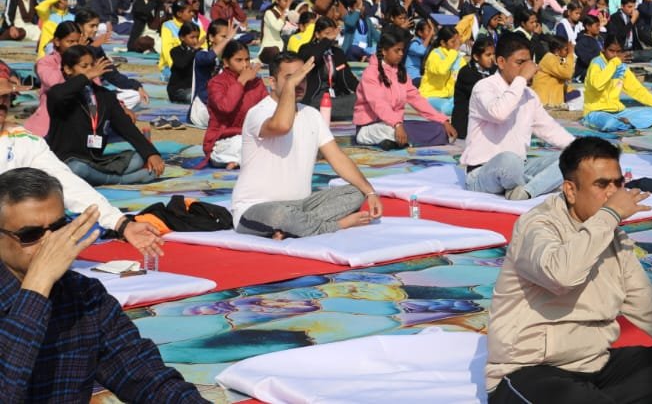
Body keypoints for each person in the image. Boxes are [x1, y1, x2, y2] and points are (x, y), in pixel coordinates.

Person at [485, 137, 652, 404]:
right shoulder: (537, 227)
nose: (613, 194)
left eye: (618, 183)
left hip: (593, 367)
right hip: (530, 371)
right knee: (568, 396)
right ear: (570, 190)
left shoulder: (613, 238)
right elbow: (561, 275)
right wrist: (610, 215)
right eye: (601, 185)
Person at [0, 168, 203, 402]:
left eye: (59, 228)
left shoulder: (84, 295)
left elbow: (145, 376)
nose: (51, 243)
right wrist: (36, 289)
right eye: (31, 234)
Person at [0, 81, 163, 259]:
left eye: (4, 96)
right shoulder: (61, 95)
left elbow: (67, 184)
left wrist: (121, 224)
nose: (1, 102)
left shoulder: (23, 140)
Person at [232, 52, 381, 239]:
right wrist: (290, 86)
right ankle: (334, 225)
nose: (299, 82)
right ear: (272, 82)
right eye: (291, 77)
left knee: (356, 192)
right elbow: (282, 126)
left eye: (302, 77)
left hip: (303, 205)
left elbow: (337, 157)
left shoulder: (312, 114)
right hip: (257, 207)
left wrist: (370, 192)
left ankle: (294, 228)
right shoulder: (259, 112)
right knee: (281, 215)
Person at [461, 32, 576, 200]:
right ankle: (535, 185)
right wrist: (521, 79)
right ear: (501, 62)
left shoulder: (529, 95)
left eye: (528, 63)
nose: (526, 69)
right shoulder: (484, 87)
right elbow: (499, 113)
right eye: (520, 63)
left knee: (573, 158)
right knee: (509, 161)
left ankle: (525, 191)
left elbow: (550, 129)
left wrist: (582, 148)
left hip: (520, 169)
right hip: (483, 172)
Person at [45, 46, 166, 187]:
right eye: (84, 66)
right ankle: (120, 180)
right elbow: (57, 95)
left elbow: (126, 128)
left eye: (92, 65)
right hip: (68, 160)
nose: (91, 70)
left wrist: (151, 153)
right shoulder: (61, 94)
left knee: (138, 158)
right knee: (77, 169)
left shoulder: (105, 95)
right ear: (68, 69)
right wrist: (86, 76)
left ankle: (100, 177)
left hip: (96, 160)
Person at [353, 27, 454, 148]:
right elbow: (379, 104)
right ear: (384, 51)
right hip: (370, 126)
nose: (401, 54)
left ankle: (397, 142)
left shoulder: (400, 72)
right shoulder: (370, 73)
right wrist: (396, 124)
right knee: (392, 131)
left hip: (397, 124)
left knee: (439, 128)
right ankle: (397, 140)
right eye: (397, 50)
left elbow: (417, 99)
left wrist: (442, 120)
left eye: (402, 50)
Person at [582, 35, 652, 132]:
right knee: (610, 123)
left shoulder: (621, 67)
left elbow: (638, 90)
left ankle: (626, 123)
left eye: (618, 52)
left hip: (619, 112)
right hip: (596, 112)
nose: (615, 55)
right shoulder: (596, 63)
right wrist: (614, 63)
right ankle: (627, 123)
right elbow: (597, 85)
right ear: (604, 49)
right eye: (611, 51)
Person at [203, 39, 266, 168]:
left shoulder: (256, 82)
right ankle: (240, 160)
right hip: (223, 139)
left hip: (250, 136)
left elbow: (267, 108)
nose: (245, 64)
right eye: (239, 60)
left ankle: (239, 161)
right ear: (226, 62)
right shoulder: (216, 83)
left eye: (247, 59)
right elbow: (226, 107)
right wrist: (241, 82)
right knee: (238, 144)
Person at [452, 34, 497, 140]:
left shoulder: (494, 69)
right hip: (466, 122)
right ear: (476, 57)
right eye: (488, 55)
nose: (492, 58)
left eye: (493, 54)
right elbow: (483, 96)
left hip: (485, 118)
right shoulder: (466, 72)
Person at [418, 25, 464, 115]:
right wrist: (454, 52)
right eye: (453, 42)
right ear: (443, 43)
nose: (456, 45)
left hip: (448, 97)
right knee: (448, 109)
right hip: (430, 95)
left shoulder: (457, 56)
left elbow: (464, 73)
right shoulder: (435, 54)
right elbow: (442, 70)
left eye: (457, 41)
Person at [531, 33, 576, 108]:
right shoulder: (549, 59)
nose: (568, 52)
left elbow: (565, 79)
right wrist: (571, 54)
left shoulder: (556, 60)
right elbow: (567, 74)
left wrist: (576, 93)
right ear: (557, 51)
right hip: (544, 103)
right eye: (566, 49)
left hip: (552, 102)